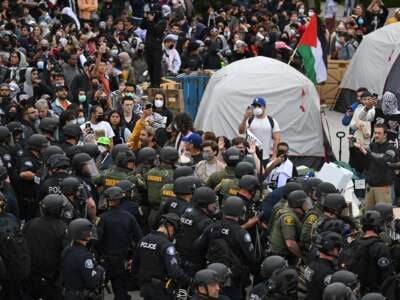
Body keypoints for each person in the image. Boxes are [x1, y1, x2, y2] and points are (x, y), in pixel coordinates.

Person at [195, 196, 258, 300]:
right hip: (233, 279)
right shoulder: (241, 233)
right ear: (241, 212)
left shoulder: (212, 227)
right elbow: (251, 258)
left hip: (211, 277)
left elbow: (197, 246)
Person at [94, 187, 142, 300]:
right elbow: (139, 238)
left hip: (104, 261)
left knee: (96, 291)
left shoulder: (102, 218)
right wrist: (133, 258)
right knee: (121, 293)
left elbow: (96, 240)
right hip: (122, 261)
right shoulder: (129, 217)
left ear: (108, 200)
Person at [134, 213, 191, 299]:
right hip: (161, 290)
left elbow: (135, 265)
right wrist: (190, 281)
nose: (173, 235)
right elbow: (174, 272)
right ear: (170, 227)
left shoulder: (143, 240)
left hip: (145, 288)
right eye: (174, 231)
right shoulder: (167, 245)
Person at [23, 194, 67, 299]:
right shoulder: (63, 228)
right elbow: (66, 254)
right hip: (51, 279)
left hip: (30, 274)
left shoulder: (30, 223)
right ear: (60, 210)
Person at [348, 210, 393, 294]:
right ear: (378, 226)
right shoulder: (381, 247)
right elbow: (387, 276)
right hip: (376, 293)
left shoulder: (355, 244)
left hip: (357, 292)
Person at [175, 187, 218, 276]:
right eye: (212, 203)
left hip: (179, 258)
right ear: (204, 205)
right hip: (196, 264)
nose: (215, 206)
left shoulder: (185, 212)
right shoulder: (206, 221)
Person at [354, 124, 395, 209]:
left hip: (383, 189)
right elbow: (361, 160)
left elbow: (382, 161)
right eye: (375, 133)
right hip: (370, 187)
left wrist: (366, 152)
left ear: (385, 135)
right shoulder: (373, 145)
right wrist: (353, 146)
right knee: (367, 215)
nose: (376, 135)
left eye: (379, 133)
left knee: (383, 216)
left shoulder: (391, 148)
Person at [62, 218, 105, 300]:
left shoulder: (67, 250)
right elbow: (91, 282)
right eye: (89, 231)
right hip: (80, 296)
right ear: (83, 234)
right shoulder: (85, 256)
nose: (91, 233)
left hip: (68, 294)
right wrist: (99, 272)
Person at [269, 190, 312, 265]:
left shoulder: (291, 213)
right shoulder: (288, 217)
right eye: (305, 203)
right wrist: (301, 257)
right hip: (280, 257)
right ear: (298, 204)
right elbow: (290, 244)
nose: (307, 205)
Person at [239, 97, 281, 165]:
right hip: (250, 156)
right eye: (255, 106)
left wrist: (274, 155)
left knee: (263, 175)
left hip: (265, 157)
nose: (256, 108)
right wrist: (245, 118)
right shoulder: (250, 120)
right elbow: (241, 131)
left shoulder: (271, 121)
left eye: (259, 106)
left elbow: (277, 139)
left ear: (264, 107)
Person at [17, 134, 49, 221]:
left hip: (36, 198)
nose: (45, 149)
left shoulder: (38, 157)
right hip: (28, 202)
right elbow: (23, 174)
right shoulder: (27, 158)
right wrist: (38, 179)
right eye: (43, 147)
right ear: (37, 148)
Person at [305, 231, 343, 300]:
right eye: (338, 247)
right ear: (333, 249)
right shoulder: (327, 272)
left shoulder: (311, 264)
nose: (340, 250)